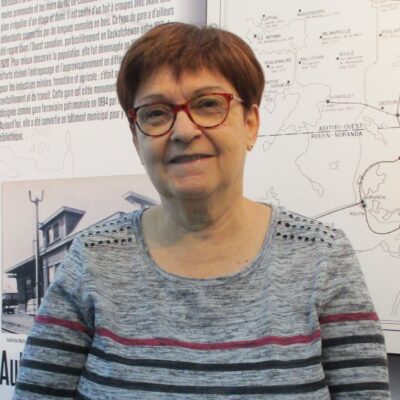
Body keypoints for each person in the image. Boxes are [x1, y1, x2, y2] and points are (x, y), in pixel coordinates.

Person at [13, 23, 390, 399]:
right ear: (136, 139)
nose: (183, 130)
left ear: (251, 124)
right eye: (156, 113)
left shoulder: (322, 257)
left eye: (208, 104)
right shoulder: (94, 258)